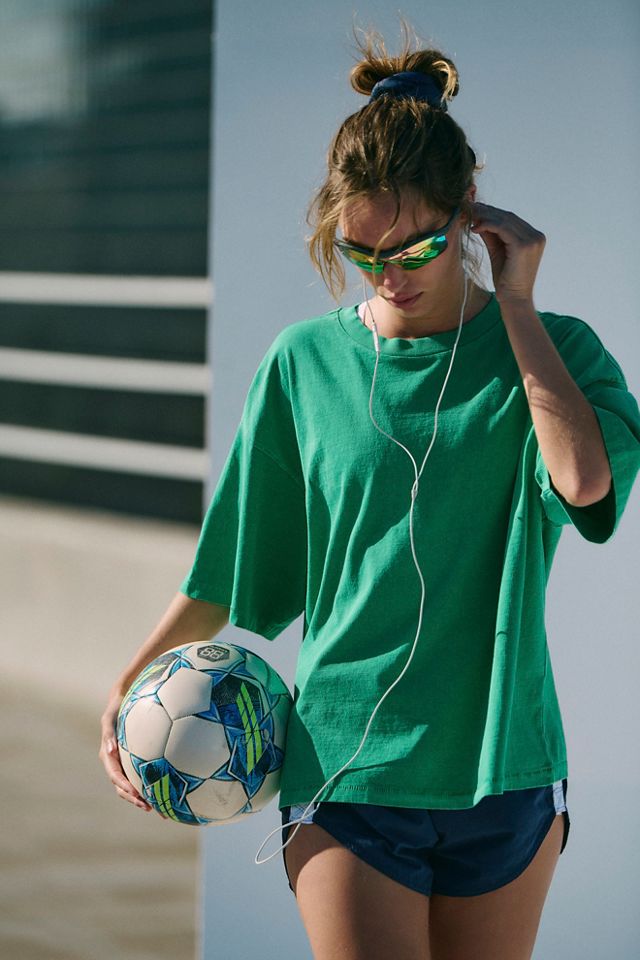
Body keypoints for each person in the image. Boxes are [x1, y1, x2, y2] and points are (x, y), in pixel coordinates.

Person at [100, 24, 640, 960]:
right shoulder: (302, 364)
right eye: (362, 253)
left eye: (417, 248)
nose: (390, 277)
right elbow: (228, 568)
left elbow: (585, 482)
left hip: (506, 767)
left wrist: (516, 305)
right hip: (346, 768)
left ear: (469, 216)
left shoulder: (556, 351)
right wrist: (125, 687)